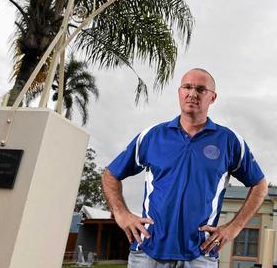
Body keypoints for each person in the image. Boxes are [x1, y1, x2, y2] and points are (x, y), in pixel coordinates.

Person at [102, 68, 268, 268]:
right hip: (147, 252)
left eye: (200, 89)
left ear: (212, 98)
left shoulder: (229, 141)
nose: (192, 94)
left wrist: (235, 227)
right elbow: (111, 174)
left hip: (200, 255)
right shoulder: (152, 136)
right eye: (187, 87)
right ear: (179, 92)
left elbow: (260, 184)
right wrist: (122, 214)